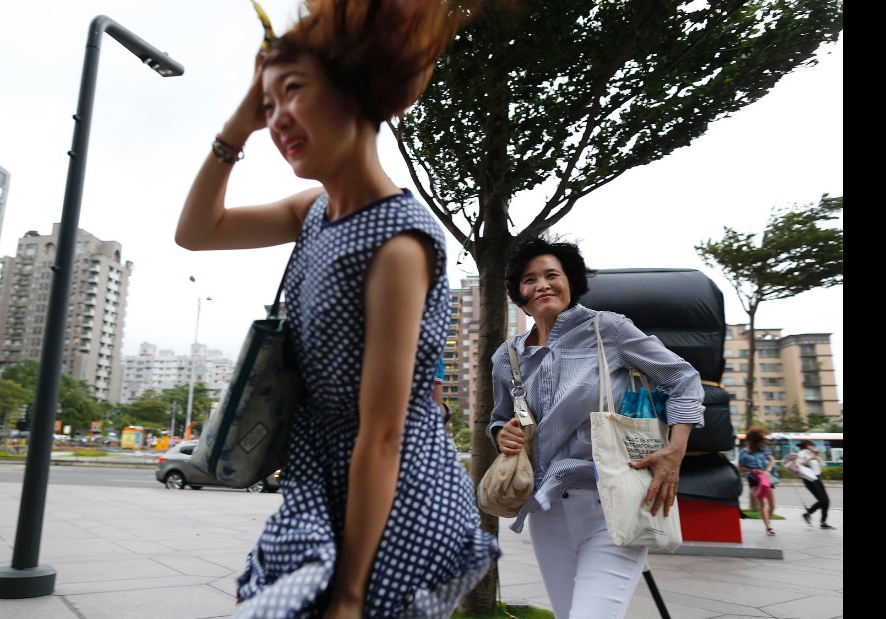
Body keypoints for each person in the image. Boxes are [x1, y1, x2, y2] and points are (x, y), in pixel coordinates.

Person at [174, 2, 499, 616]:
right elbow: (197, 231)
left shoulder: (398, 243)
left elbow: (383, 432)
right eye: (268, 106)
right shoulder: (313, 210)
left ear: (353, 91)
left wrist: (350, 593)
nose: (278, 120)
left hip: (398, 499)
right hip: (325, 480)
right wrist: (237, 126)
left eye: (293, 92)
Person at [487, 232, 705, 619]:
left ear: (570, 280)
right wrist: (502, 433)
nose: (542, 284)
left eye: (551, 274)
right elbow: (501, 419)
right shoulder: (508, 357)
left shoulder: (610, 330)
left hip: (614, 501)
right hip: (546, 509)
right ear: (519, 294)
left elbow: (683, 379)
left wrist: (675, 450)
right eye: (529, 279)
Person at [738, 427, 777, 536]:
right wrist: (752, 470)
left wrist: (768, 470)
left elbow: (772, 460)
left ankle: (767, 523)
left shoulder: (763, 448)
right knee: (762, 502)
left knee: (772, 505)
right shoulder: (743, 452)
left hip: (766, 478)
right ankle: (768, 527)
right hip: (753, 479)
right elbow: (740, 467)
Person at [796, 440, 835, 529]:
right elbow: (800, 464)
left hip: (817, 478)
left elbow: (823, 465)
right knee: (822, 501)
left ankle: (822, 522)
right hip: (809, 479)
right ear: (806, 445)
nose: (813, 446)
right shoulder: (802, 453)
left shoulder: (812, 454)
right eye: (811, 445)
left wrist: (817, 458)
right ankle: (810, 515)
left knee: (826, 501)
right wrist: (810, 458)